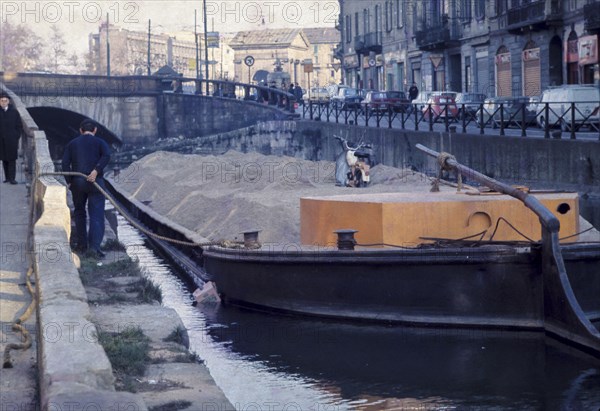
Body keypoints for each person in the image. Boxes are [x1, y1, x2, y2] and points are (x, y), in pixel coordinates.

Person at [61, 120, 111, 258]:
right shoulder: (101, 142)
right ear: (94, 130)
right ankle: (94, 248)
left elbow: (65, 163)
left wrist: (69, 181)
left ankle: (82, 245)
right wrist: (96, 171)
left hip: (78, 182)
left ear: (80, 130)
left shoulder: (72, 144)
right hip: (96, 182)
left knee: (79, 213)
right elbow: (107, 156)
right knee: (96, 215)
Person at [0, 93, 22, 184]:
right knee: (4, 159)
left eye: (5, 101)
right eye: (2, 101)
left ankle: (12, 178)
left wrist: (16, 136)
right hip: (1, 140)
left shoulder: (14, 112)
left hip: (12, 140)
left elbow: (19, 126)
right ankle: (7, 178)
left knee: (12, 159)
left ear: (8, 101)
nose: (4, 102)